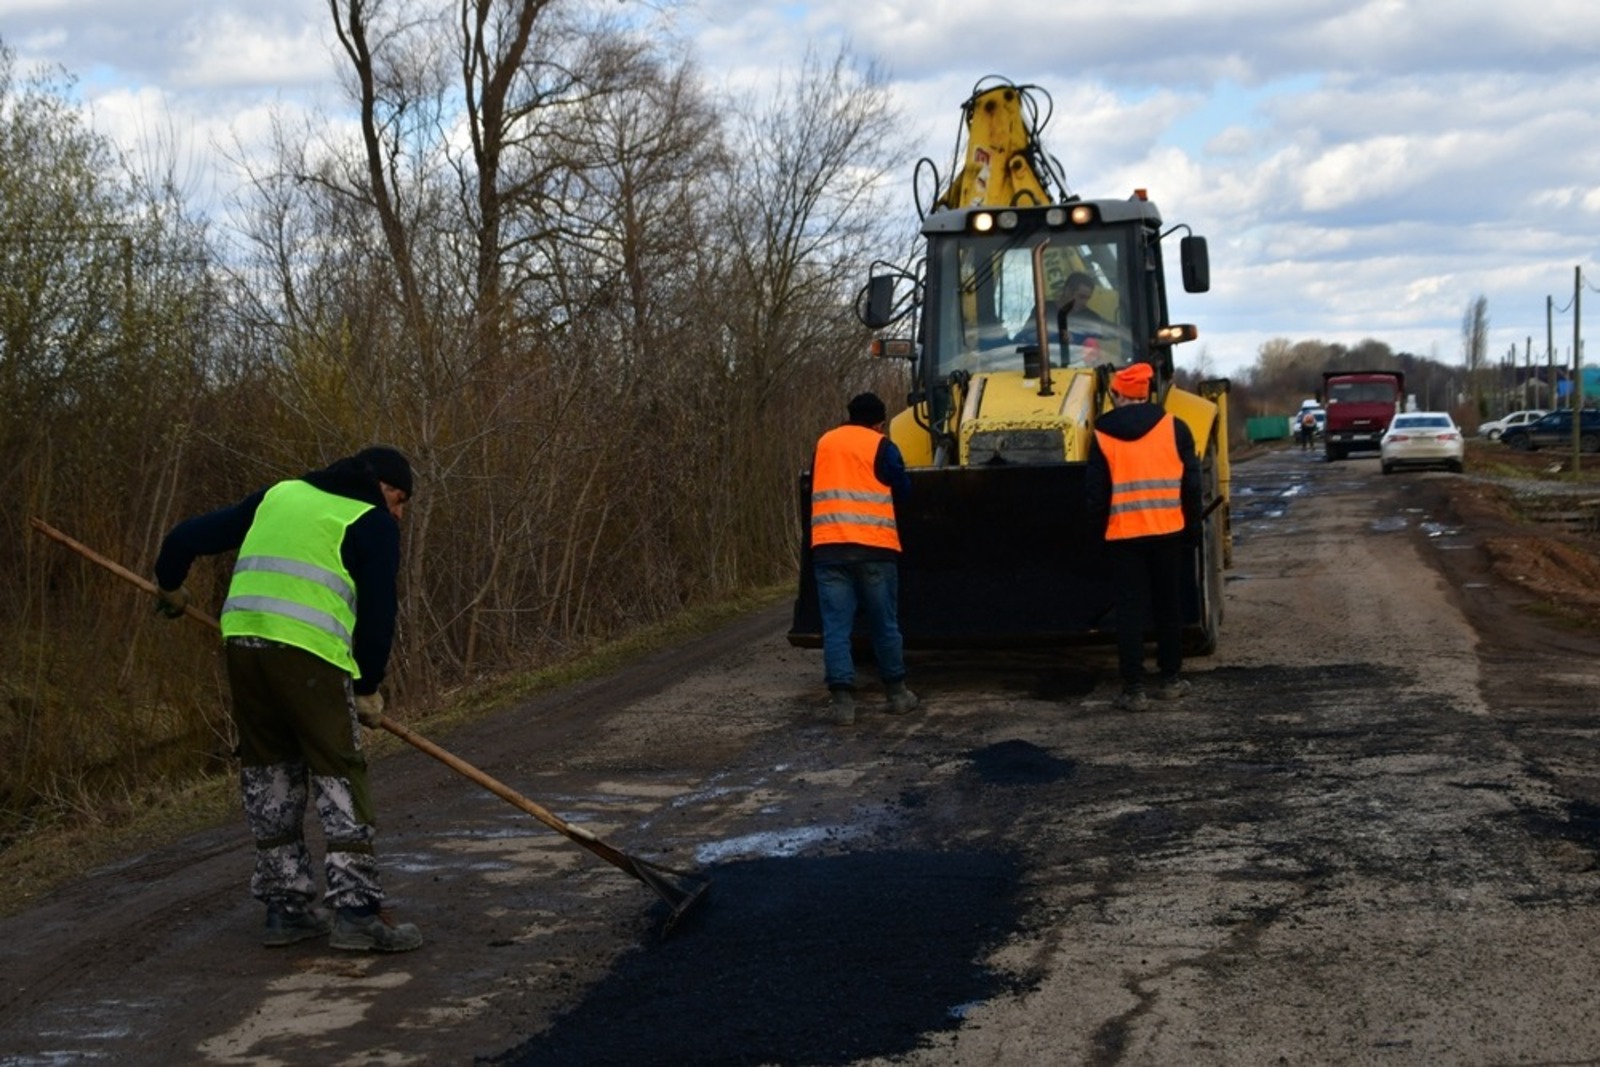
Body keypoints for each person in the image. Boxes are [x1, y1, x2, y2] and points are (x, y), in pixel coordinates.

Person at [153, 446, 424, 953]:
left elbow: (187, 536)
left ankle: (286, 909)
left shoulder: (278, 495)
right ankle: (358, 914)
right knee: (338, 772)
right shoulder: (370, 520)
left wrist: (169, 585)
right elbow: (379, 614)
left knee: (269, 772)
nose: (400, 512)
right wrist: (367, 686)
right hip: (308, 656)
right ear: (379, 485)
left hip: (244, 647)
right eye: (400, 498)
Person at [1086, 364, 1202, 711]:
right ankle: (1170, 680)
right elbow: (1192, 486)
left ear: (1120, 395)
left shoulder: (1102, 433)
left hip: (1123, 535)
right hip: (1167, 531)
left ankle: (1134, 689)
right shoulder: (1175, 428)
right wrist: (1192, 529)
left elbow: (1095, 494)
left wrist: (1095, 537)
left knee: (1129, 611)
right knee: (1168, 606)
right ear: (1148, 393)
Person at [809, 392, 917, 726]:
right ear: (880, 421)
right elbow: (902, 489)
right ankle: (898, 696)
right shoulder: (881, 445)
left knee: (836, 628)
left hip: (829, 549)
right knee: (884, 624)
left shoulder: (825, 443)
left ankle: (843, 705)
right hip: (874, 548)